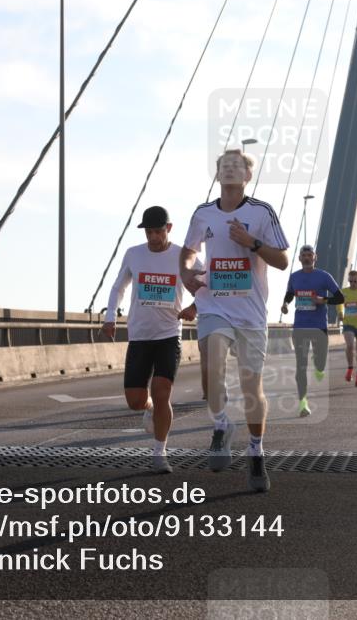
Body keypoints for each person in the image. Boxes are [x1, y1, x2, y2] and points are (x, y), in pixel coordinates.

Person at [180, 148, 289, 492]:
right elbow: (189, 251)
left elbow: (283, 260)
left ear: (247, 176)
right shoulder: (203, 214)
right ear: (217, 174)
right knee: (211, 365)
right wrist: (186, 274)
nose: (229, 169)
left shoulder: (261, 212)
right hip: (214, 305)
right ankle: (222, 424)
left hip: (251, 313)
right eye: (224, 165)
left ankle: (255, 452)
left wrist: (251, 242)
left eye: (237, 166)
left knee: (251, 388)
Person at [103, 206, 197, 474]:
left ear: (168, 228)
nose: (153, 237)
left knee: (162, 390)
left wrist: (194, 307)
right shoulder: (134, 254)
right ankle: (149, 408)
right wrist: (111, 317)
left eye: (158, 231)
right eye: (149, 232)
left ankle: (160, 452)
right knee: (135, 399)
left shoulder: (183, 256)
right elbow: (118, 287)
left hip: (169, 335)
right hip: (140, 336)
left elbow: (209, 280)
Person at [280, 245, 345, 417]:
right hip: (300, 326)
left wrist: (322, 300)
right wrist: (285, 304)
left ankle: (320, 367)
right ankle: (303, 404)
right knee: (301, 367)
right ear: (300, 258)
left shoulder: (324, 276)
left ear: (315, 257)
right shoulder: (294, 277)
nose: (307, 258)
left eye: (310, 255)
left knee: (320, 362)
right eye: (304, 255)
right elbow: (289, 294)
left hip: (319, 327)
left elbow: (340, 297)